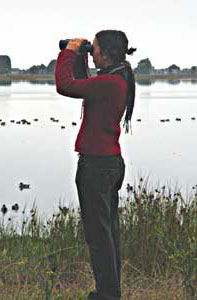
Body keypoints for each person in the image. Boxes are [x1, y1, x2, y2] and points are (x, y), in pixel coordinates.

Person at [55, 30, 136, 300]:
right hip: (107, 164)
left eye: (95, 48)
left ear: (104, 53)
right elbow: (83, 82)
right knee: (107, 234)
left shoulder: (111, 83)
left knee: (99, 238)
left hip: (97, 167)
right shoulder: (116, 78)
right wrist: (81, 56)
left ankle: (107, 295)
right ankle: (109, 292)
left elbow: (66, 85)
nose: (93, 52)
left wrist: (68, 53)